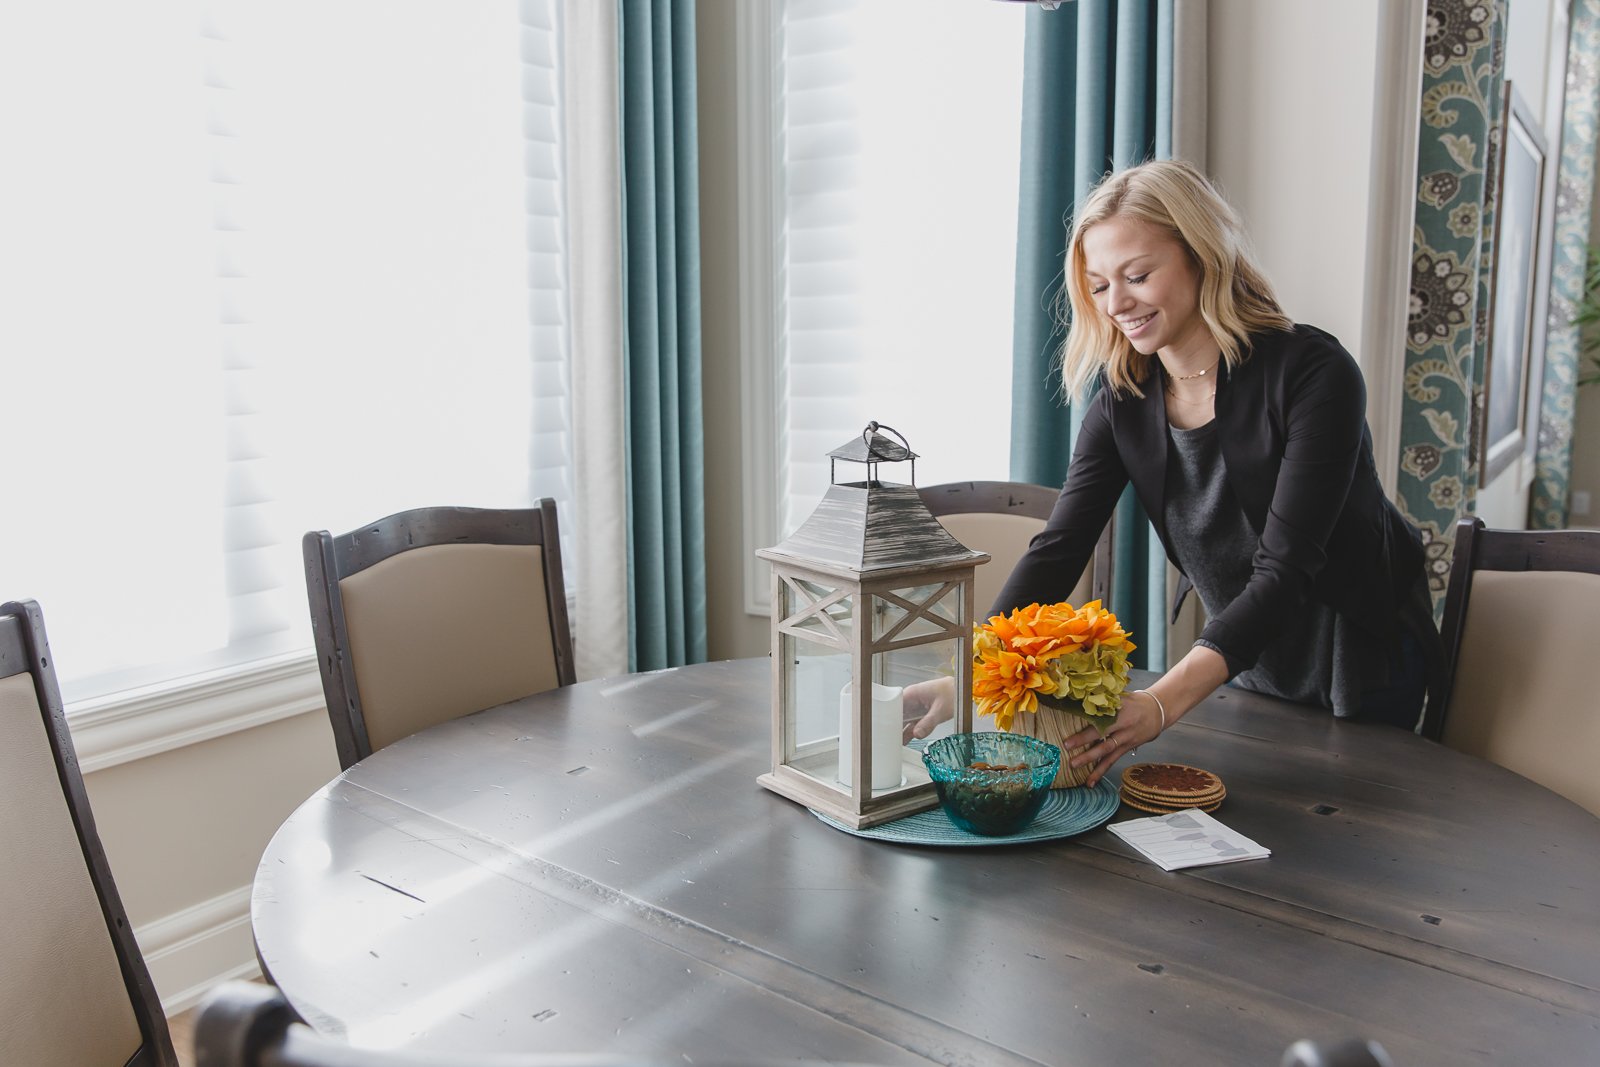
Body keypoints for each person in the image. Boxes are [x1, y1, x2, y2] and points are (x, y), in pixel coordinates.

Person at [906, 159, 1442, 786]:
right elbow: (1059, 547)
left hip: (1358, 654)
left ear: (1203, 258)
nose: (1117, 304)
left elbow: (1287, 567)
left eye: (1137, 275)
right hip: (1247, 659)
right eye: (1100, 285)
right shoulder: (1123, 400)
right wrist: (967, 673)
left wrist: (1160, 703)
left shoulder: (1313, 374)